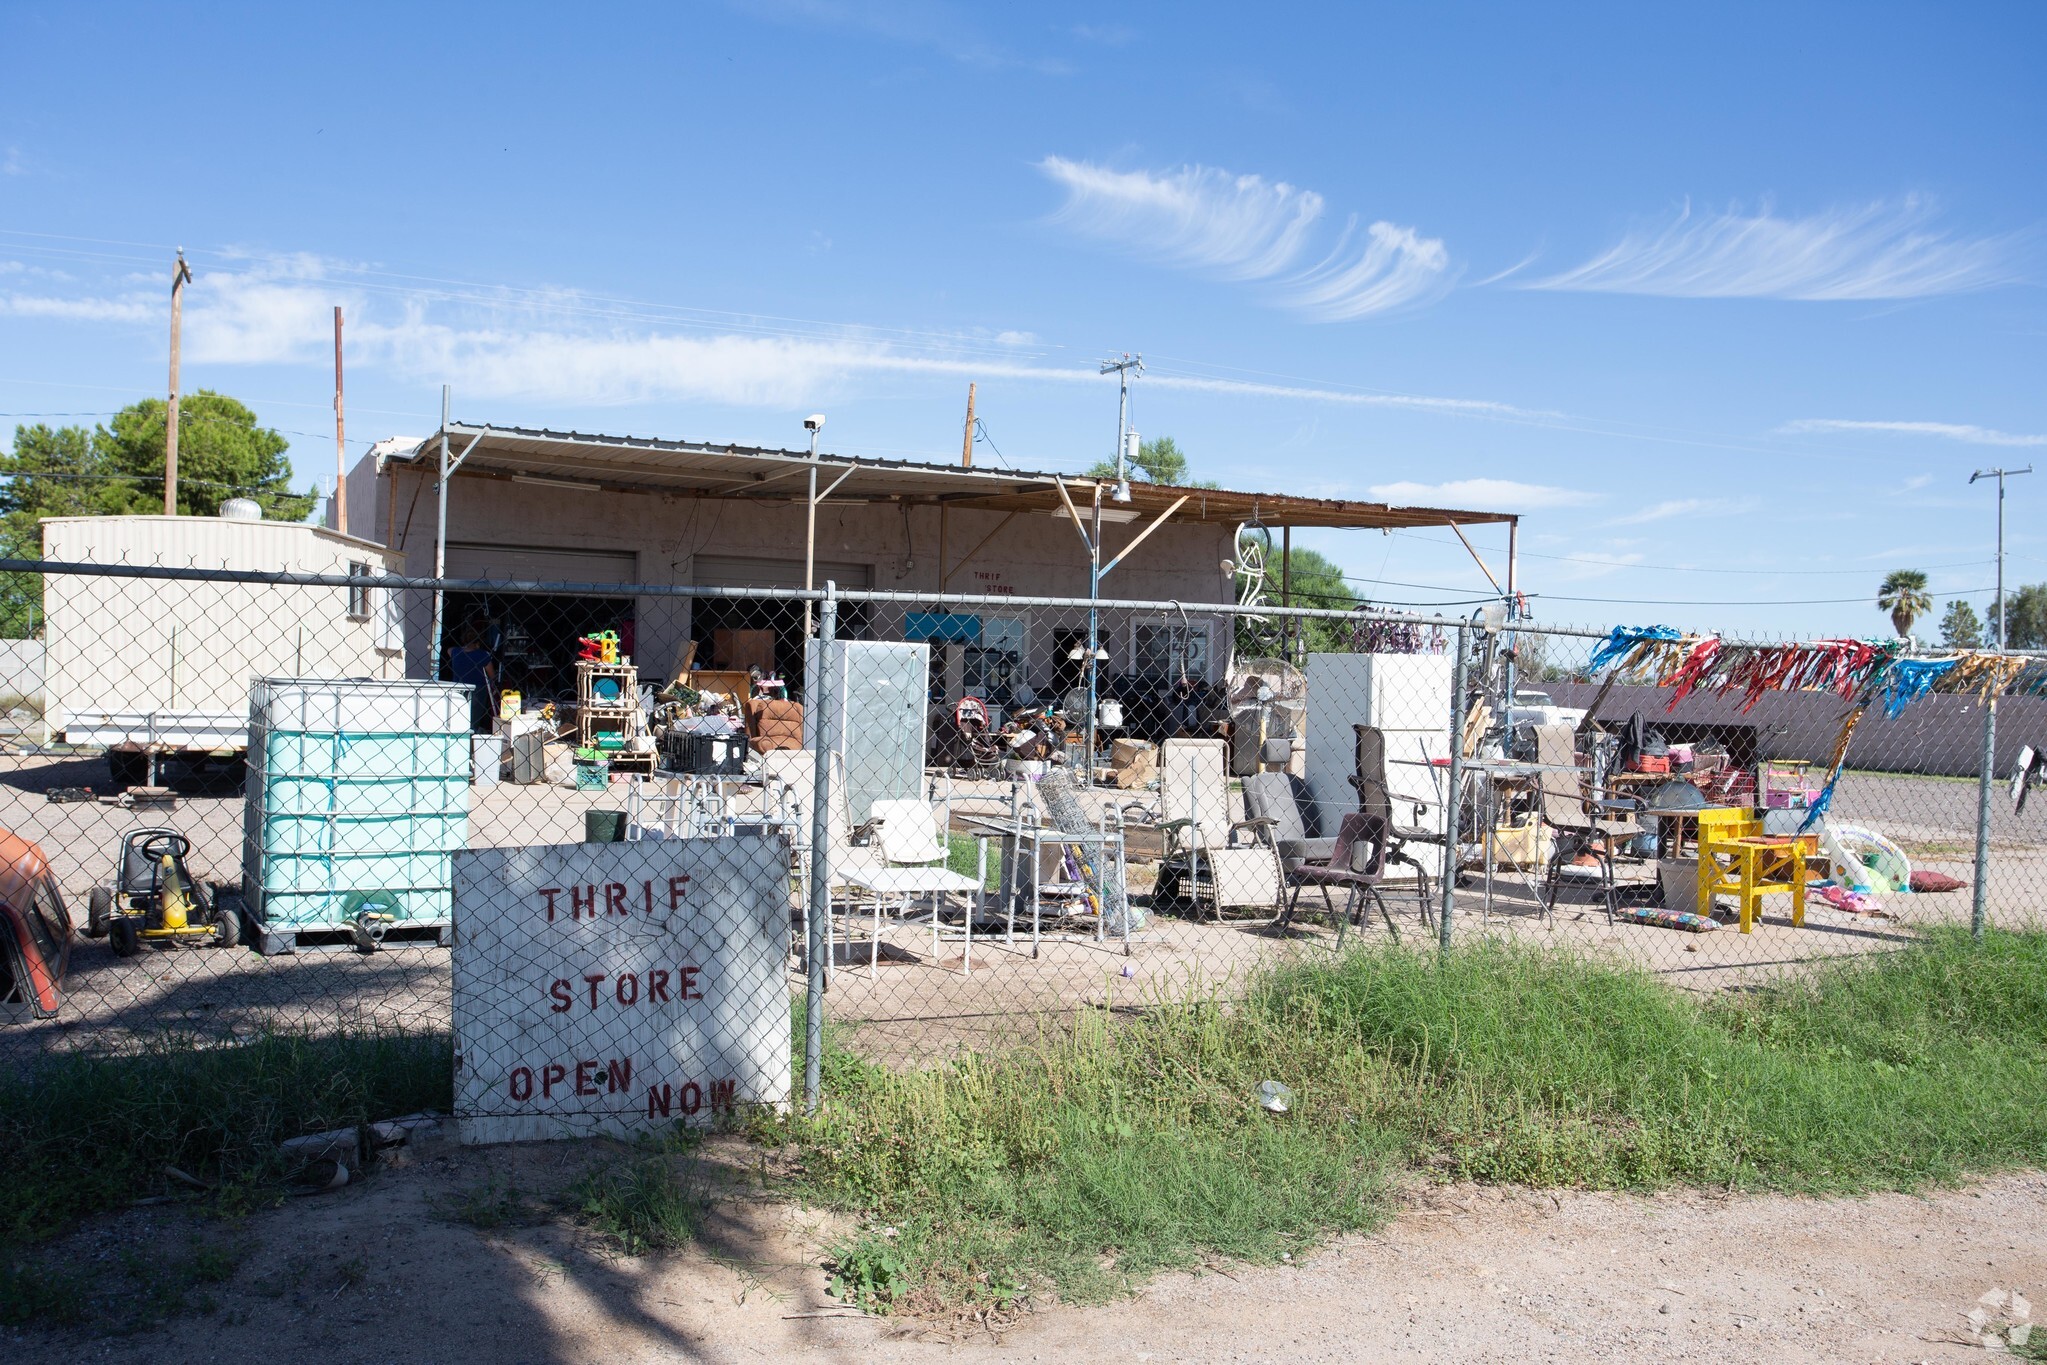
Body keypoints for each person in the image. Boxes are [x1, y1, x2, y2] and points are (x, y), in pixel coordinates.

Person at [448, 620, 497, 733]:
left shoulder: (455, 652)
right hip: (477, 691)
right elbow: (491, 674)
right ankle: (472, 734)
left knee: (458, 715)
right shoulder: (482, 655)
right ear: (478, 642)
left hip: (458, 689)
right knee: (474, 717)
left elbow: (449, 650)